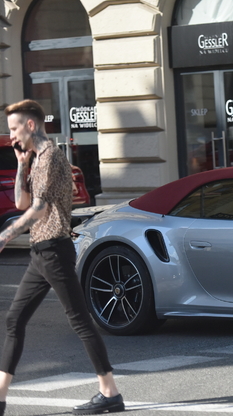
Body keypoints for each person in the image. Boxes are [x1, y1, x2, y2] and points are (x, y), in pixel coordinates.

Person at [0, 100, 124, 415]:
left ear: (30, 125)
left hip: (54, 250)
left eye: (14, 128)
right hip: (40, 253)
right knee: (15, 319)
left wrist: (5, 235)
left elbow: (38, 209)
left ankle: (109, 393)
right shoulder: (35, 159)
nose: (11, 135)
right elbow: (20, 201)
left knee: (80, 320)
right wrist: (19, 164)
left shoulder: (52, 157)